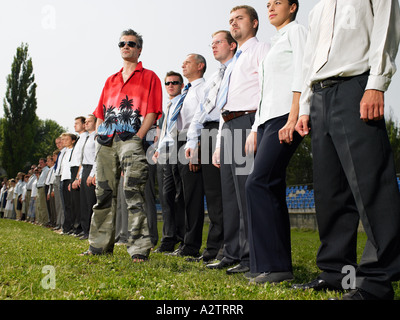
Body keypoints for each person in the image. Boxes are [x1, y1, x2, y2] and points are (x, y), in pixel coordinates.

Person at [293, 0, 400, 300]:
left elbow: (385, 28)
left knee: (370, 183)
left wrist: (376, 83)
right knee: (330, 190)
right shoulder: (318, 9)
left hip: (356, 85)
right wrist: (304, 106)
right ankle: (336, 273)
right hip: (320, 96)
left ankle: (377, 279)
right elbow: (309, 60)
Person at [83, 29, 162, 262]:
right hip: (106, 142)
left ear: (139, 49)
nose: (126, 46)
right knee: (103, 193)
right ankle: (98, 246)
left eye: (131, 43)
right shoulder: (110, 80)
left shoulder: (150, 77)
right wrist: (99, 134)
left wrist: (139, 136)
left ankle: (138, 248)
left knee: (133, 191)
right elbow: (99, 113)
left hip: (131, 139)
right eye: (122, 44)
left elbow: (152, 111)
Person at [244, 0, 305, 284]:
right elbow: (265, 90)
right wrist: (256, 127)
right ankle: (266, 265)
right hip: (268, 120)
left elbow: (303, 75)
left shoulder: (297, 32)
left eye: (277, 2)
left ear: (293, 7)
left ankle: (276, 265)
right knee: (270, 184)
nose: (270, 7)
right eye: (268, 4)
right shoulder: (274, 43)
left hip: (286, 116)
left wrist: (295, 116)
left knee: (259, 181)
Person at [208, 5, 269, 275]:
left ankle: (250, 256)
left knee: (246, 192)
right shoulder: (234, 62)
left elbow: (266, 90)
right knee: (230, 196)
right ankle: (232, 252)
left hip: (247, 123)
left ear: (254, 23)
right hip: (229, 125)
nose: (233, 23)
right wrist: (220, 144)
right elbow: (225, 103)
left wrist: (256, 127)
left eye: (239, 19)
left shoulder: (261, 50)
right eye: (230, 20)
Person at [185, 30, 237, 263]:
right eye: (212, 43)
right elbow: (200, 112)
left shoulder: (238, 67)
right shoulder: (216, 76)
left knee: (227, 193)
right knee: (213, 195)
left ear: (232, 45)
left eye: (219, 42)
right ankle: (213, 249)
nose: (213, 46)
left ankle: (231, 248)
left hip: (227, 127)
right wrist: (193, 141)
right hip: (207, 133)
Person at [156, 54, 207, 258]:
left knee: (190, 196)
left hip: (191, 141)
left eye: (187, 62)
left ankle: (191, 244)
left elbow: (202, 119)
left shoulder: (203, 89)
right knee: (178, 196)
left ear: (199, 66)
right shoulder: (187, 93)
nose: (183, 65)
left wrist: (198, 145)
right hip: (177, 142)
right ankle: (183, 242)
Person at [152, 71, 186, 253]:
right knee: (166, 197)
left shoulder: (184, 102)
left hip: (178, 149)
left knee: (178, 196)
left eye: (175, 82)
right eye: (168, 83)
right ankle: (168, 238)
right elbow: (163, 132)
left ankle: (181, 238)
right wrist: (157, 150)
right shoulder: (168, 107)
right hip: (164, 152)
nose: (171, 85)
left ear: (181, 85)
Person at [78, 114, 97, 240]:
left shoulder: (96, 137)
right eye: (85, 122)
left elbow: (97, 156)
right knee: (84, 202)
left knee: (91, 201)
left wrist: (92, 174)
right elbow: (82, 158)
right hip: (84, 168)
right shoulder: (86, 138)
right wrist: (80, 175)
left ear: (96, 123)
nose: (86, 124)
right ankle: (85, 230)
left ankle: (92, 230)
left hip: (91, 168)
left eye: (89, 121)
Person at [70, 116, 88, 236]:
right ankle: (77, 226)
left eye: (77, 123)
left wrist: (78, 176)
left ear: (83, 125)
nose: (75, 125)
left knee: (81, 202)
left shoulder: (85, 137)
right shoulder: (79, 139)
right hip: (74, 169)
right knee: (75, 202)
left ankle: (81, 227)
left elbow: (82, 157)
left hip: (79, 169)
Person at [60, 133, 77, 234]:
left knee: (71, 204)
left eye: (66, 139)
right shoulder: (65, 152)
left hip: (69, 179)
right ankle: (66, 227)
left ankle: (71, 227)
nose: (64, 141)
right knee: (65, 205)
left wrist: (72, 179)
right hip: (63, 178)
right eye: (63, 139)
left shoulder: (73, 151)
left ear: (73, 140)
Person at [36, 158, 50, 226]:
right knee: (39, 205)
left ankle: (45, 221)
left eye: (41, 162)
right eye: (39, 162)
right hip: (39, 188)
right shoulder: (42, 171)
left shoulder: (47, 170)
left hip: (43, 187)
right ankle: (40, 220)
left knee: (43, 205)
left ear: (45, 163)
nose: (40, 164)